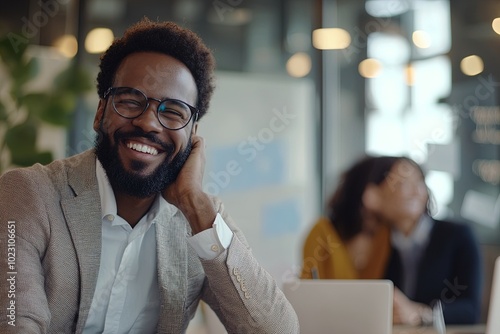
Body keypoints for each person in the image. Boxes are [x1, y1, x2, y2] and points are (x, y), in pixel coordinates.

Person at [0, 18, 299, 334]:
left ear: (193, 133)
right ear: (101, 112)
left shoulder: (201, 222)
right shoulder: (30, 195)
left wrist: (195, 204)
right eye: (130, 101)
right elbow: (14, 325)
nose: (149, 123)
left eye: (173, 112)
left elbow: (276, 330)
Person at [300, 155, 483, 326]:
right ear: (373, 196)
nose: (416, 191)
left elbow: (470, 310)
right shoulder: (382, 242)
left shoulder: (458, 236)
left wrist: (421, 313)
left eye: (420, 181)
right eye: (402, 183)